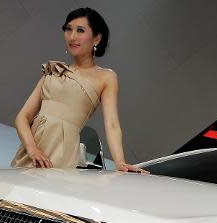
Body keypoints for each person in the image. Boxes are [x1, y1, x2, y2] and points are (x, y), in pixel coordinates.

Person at [11, 7, 144, 172]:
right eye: (68, 29)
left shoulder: (106, 77)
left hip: (62, 154)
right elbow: (22, 117)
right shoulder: (54, 70)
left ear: (96, 39)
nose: (72, 37)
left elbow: (112, 124)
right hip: (31, 153)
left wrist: (120, 162)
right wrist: (32, 148)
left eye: (80, 30)